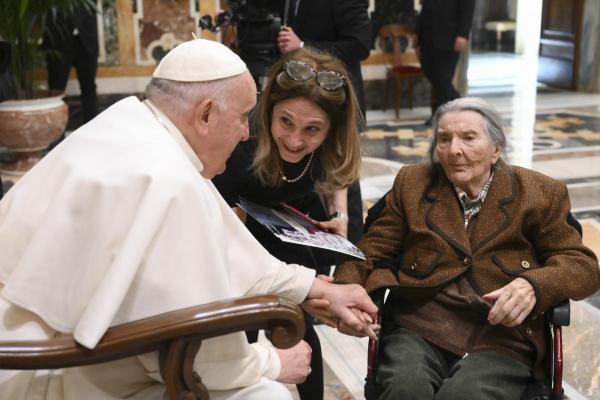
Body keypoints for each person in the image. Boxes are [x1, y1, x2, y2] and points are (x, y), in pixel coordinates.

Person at [0, 39, 378, 400]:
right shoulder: (167, 177)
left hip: (44, 352)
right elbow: (201, 352)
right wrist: (272, 361)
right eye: (244, 117)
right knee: (265, 392)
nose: (248, 132)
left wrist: (312, 288)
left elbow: (224, 245)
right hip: (50, 372)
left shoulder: (135, 125)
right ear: (206, 113)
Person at [333, 97, 600, 399]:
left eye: (469, 138)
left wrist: (533, 285)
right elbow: (371, 250)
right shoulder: (414, 183)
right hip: (421, 324)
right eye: (444, 139)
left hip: (503, 335)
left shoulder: (538, 193)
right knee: (405, 389)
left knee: (464, 395)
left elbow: (583, 266)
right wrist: (343, 292)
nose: (454, 150)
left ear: (496, 149)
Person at [212, 46, 362, 400]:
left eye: (313, 130)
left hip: (294, 224)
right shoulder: (243, 142)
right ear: (269, 111)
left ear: (331, 129)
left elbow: (339, 177)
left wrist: (339, 216)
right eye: (286, 122)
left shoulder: (332, 144)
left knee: (299, 323)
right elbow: (216, 220)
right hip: (242, 227)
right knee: (244, 325)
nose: (295, 140)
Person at [416, 0, 475, 124]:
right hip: (427, 36)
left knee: (443, 77)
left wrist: (463, 34)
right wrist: (418, 38)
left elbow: (468, 8)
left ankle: (440, 117)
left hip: (450, 36)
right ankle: (459, 100)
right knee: (429, 70)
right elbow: (426, 8)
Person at [43, 4, 99, 124]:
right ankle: (56, 136)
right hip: (59, 40)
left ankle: (93, 129)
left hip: (86, 39)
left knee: (89, 88)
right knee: (56, 88)